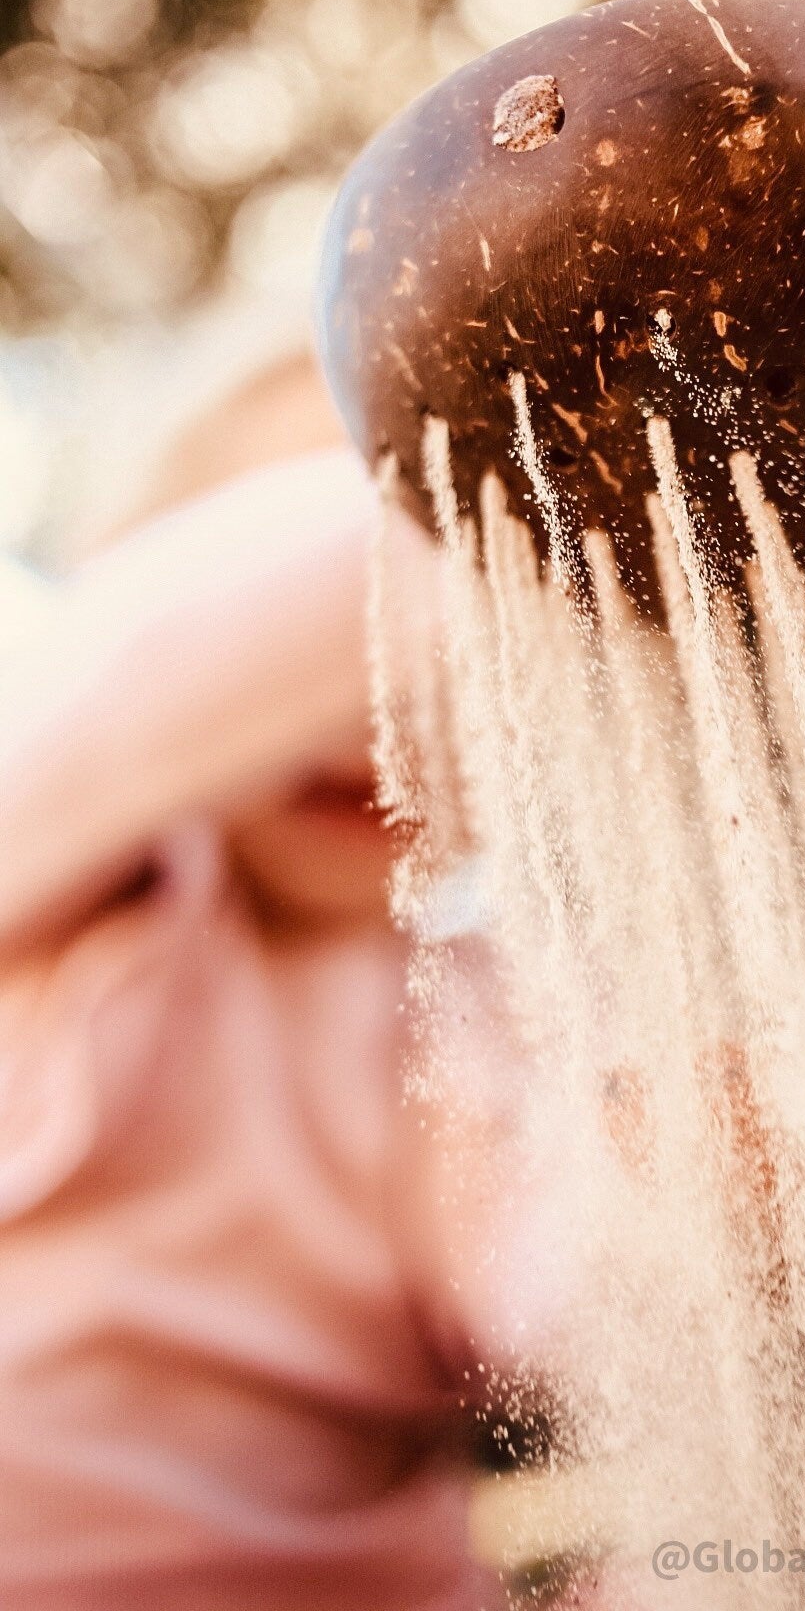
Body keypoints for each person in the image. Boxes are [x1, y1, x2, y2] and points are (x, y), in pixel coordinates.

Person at [0, 353, 538, 1611]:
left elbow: (560, 1261)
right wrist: (571, 460)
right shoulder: (51, 871)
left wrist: (728, 1202)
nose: (381, 708)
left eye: (485, 655)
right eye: (327, 643)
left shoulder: (458, 1016)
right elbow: (129, 689)